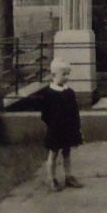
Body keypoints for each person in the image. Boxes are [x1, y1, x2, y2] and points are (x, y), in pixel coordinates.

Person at [40, 59, 83, 191]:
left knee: (67, 152)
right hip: (55, 129)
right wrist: (52, 125)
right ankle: (51, 178)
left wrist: (76, 127)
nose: (66, 77)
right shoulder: (49, 93)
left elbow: (74, 111)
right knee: (53, 153)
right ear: (54, 75)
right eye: (63, 74)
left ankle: (68, 176)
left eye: (67, 74)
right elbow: (45, 114)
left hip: (68, 128)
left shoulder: (69, 93)